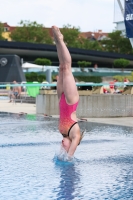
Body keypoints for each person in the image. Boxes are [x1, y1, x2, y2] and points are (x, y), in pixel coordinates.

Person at [52, 26, 84, 161]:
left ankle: (57, 43)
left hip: (61, 99)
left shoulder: (63, 134)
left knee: (61, 67)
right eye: (64, 147)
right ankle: (60, 40)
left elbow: (60, 155)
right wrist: (68, 156)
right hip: (70, 101)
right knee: (66, 68)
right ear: (71, 145)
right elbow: (70, 156)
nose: (61, 145)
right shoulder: (74, 134)